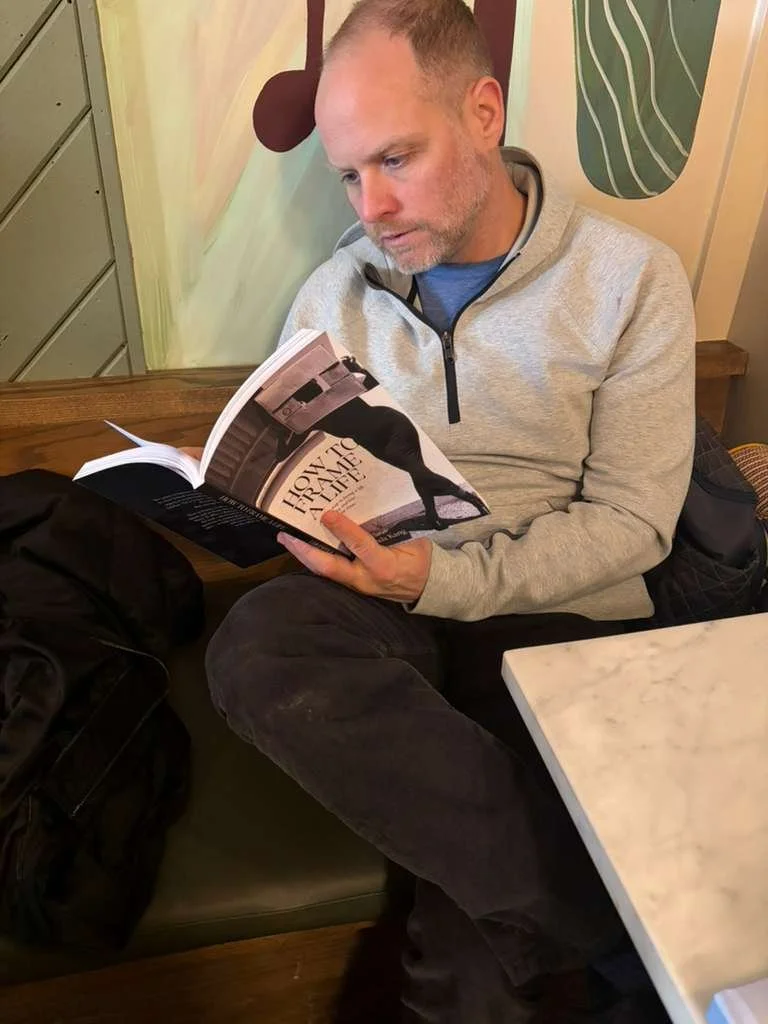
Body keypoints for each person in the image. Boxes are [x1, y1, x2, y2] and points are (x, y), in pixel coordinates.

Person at [206, 1, 695, 1020]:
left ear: (483, 113)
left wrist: (447, 578)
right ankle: (607, 919)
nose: (371, 204)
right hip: (380, 613)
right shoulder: (334, 295)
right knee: (255, 646)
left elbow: (635, 521)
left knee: (467, 986)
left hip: (552, 622)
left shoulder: (631, 279)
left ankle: (572, 931)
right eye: (348, 174)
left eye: (396, 158)